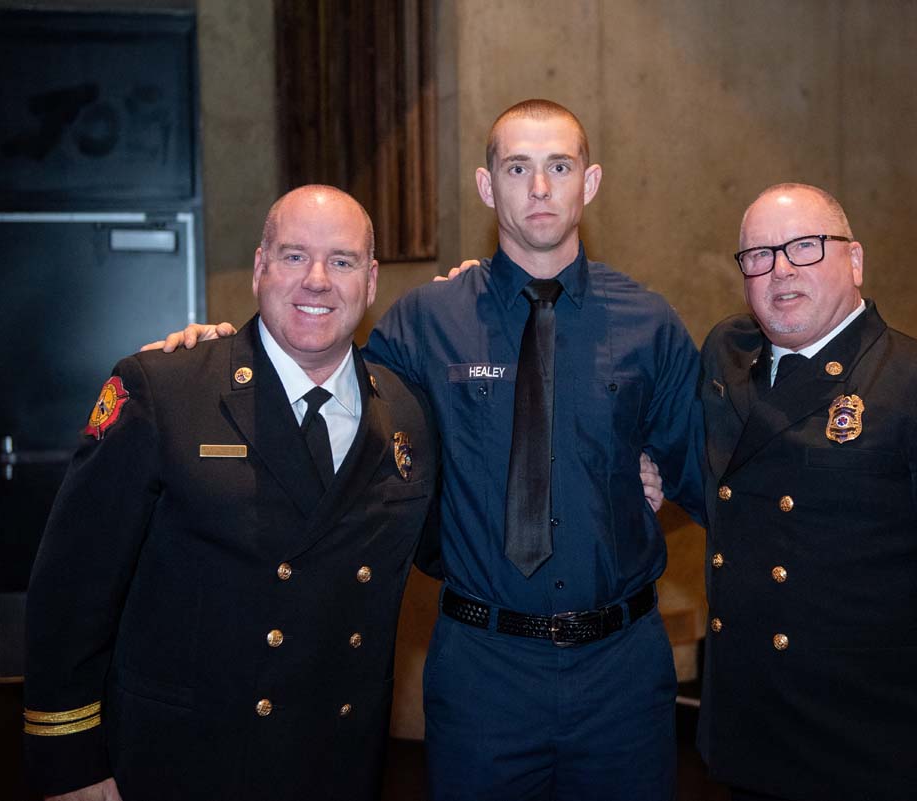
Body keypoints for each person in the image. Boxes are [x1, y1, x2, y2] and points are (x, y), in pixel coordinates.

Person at [160, 100, 704, 801]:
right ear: (487, 186)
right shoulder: (423, 322)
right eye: (518, 167)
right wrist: (220, 358)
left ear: (589, 182)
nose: (539, 188)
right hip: (482, 670)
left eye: (558, 167)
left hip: (621, 671)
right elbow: (327, 396)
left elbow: (712, 473)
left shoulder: (651, 324)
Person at [22, 185, 440, 801]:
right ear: (259, 268)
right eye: (295, 256)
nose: (317, 280)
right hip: (186, 760)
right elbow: (72, 584)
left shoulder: (406, 409)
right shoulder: (166, 390)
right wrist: (71, 760)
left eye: (343, 261)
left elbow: (456, 546)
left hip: (340, 761)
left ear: (371, 280)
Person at [698, 183, 917, 801]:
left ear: (854, 260)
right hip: (744, 745)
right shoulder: (728, 364)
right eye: (758, 255)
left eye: (805, 246)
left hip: (866, 752)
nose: (781, 270)